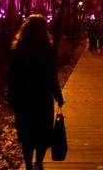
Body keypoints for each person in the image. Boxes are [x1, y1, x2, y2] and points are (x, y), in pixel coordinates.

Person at [8, 14, 65, 170]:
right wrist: (58, 96)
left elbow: (12, 76)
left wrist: (12, 98)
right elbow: (51, 75)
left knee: (27, 135)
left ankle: (28, 165)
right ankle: (38, 163)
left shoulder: (19, 48)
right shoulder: (47, 48)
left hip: (23, 99)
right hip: (42, 97)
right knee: (43, 134)